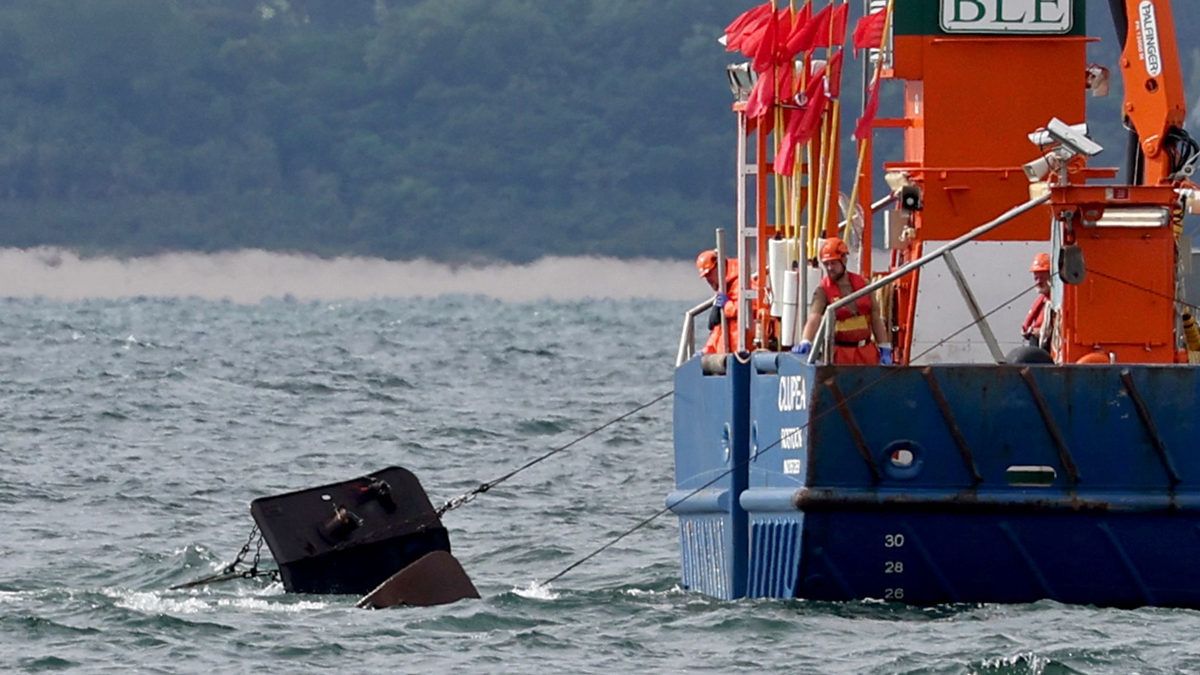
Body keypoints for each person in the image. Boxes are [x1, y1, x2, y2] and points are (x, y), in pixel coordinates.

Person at [792, 238, 892, 365]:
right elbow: (814, 318)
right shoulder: (823, 290)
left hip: (866, 353)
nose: (829, 268)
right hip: (839, 354)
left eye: (833, 263)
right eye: (826, 264)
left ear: (844, 259)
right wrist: (806, 341)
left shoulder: (864, 285)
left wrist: (885, 347)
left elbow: (876, 319)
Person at [696, 249, 739, 354]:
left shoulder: (742, 284)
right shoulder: (724, 291)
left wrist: (726, 305)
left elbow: (749, 309)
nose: (708, 279)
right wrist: (707, 350)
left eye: (709, 274)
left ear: (719, 267)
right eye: (706, 276)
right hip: (727, 355)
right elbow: (718, 330)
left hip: (741, 353)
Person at [1022, 253, 1052, 349]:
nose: (1038, 282)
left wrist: (1042, 332)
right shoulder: (1041, 301)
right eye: (1036, 278)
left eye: (1042, 278)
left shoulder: (1059, 304)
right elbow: (1025, 328)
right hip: (1036, 347)